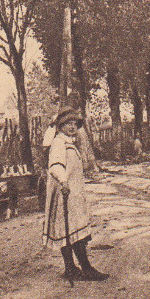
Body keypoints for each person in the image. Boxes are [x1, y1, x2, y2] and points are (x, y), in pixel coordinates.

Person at [41, 107, 109, 282]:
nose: (72, 127)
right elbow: (55, 165)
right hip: (65, 193)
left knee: (71, 231)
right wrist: (63, 181)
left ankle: (72, 268)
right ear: (60, 125)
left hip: (73, 194)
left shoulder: (69, 142)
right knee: (71, 231)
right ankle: (83, 268)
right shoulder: (59, 143)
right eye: (67, 123)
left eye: (74, 123)